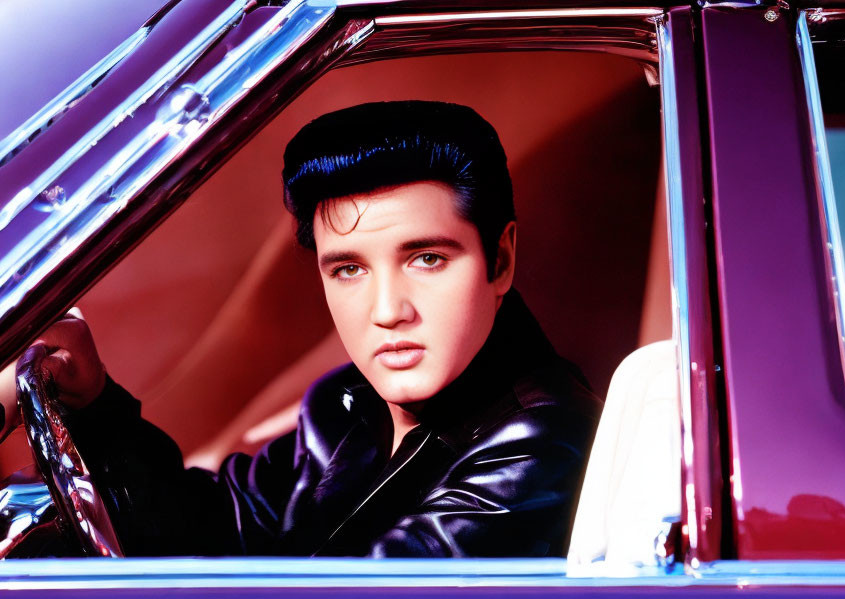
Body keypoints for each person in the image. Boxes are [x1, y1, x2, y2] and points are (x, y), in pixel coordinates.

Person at [1, 101, 600, 557]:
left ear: (500, 261)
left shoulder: (540, 439)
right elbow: (220, 527)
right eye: (348, 269)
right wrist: (95, 400)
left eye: (427, 259)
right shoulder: (345, 403)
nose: (388, 309)